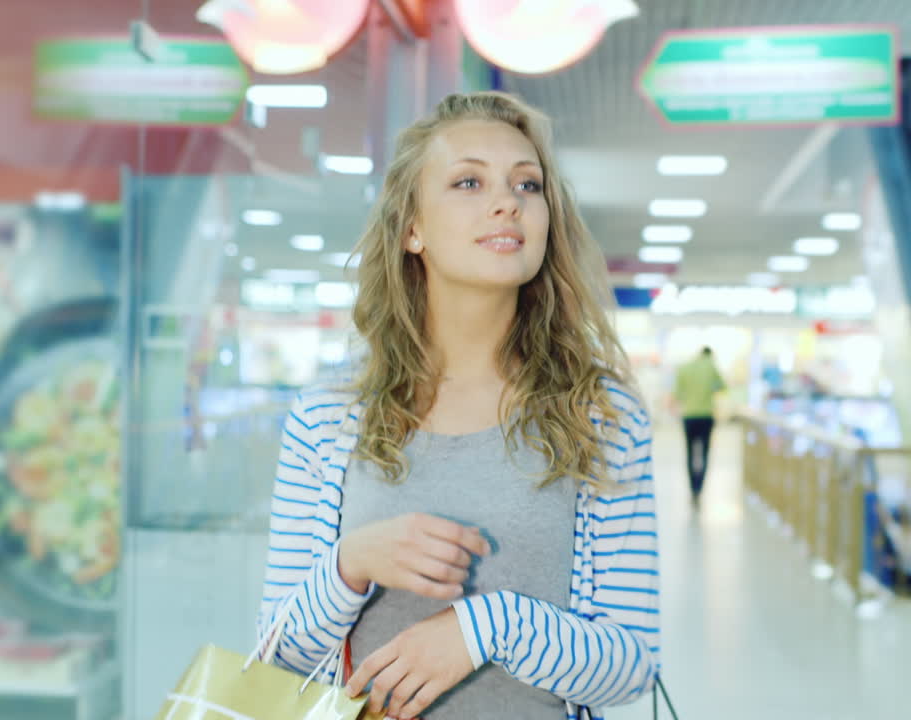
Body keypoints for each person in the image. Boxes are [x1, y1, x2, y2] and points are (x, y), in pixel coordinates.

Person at [258, 92, 658, 720]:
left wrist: (486, 627)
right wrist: (351, 564)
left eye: (528, 185)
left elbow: (630, 666)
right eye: (468, 181)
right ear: (411, 227)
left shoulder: (602, 417)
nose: (508, 201)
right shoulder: (328, 417)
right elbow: (275, 660)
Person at [673, 346, 725, 507]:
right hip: (705, 416)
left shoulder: (684, 368)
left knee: (689, 453)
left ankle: (692, 488)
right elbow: (722, 387)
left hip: (688, 416)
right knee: (704, 453)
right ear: (710, 355)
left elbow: (678, 394)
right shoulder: (711, 366)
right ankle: (699, 487)